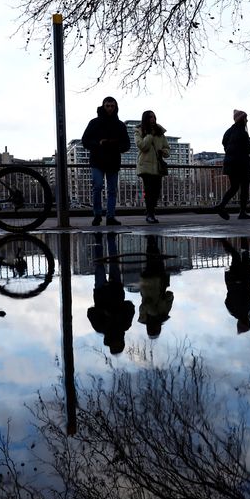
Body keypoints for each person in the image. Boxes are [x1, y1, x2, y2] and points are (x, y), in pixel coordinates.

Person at [81, 96, 132, 226]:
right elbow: (85, 140)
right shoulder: (94, 122)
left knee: (112, 190)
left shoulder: (120, 125)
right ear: (103, 106)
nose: (110, 108)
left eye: (112, 106)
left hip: (113, 161)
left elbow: (127, 144)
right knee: (97, 187)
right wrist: (98, 144)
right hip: (97, 160)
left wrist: (116, 146)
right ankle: (97, 215)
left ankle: (110, 217)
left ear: (116, 107)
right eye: (107, 106)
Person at [88, 232, 135, 354]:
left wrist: (103, 312)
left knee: (100, 265)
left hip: (101, 292)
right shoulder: (124, 325)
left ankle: (99, 239)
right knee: (113, 261)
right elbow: (130, 306)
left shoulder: (101, 328)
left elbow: (90, 312)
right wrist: (118, 311)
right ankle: (110, 239)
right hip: (115, 289)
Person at [216, 110, 250, 220]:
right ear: (242, 119)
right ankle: (242, 212)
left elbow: (224, 143)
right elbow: (249, 149)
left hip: (230, 163)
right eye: (246, 118)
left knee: (234, 187)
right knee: (244, 188)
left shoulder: (228, 131)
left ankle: (221, 205)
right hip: (242, 164)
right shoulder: (243, 132)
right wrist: (249, 142)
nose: (247, 120)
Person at [134, 110, 171, 224]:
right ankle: (150, 214)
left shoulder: (160, 132)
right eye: (150, 117)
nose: (152, 119)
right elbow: (142, 146)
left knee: (156, 191)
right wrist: (149, 134)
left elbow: (167, 149)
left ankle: (150, 211)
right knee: (149, 190)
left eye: (154, 117)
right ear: (145, 119)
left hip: (157, 166)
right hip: (145, 165)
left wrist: (163, 151)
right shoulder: (138, 131)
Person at [138, 235, 174, 339]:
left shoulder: (144, 317)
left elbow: (144, 305)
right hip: (159, 281)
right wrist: (167, 298)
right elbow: (170, 296)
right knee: (156, 260)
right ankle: (152, 240)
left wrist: (153, 311)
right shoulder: (164, 314)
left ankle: (151, 241)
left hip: (149, 283)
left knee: (151, 260)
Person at [221, 238, 250, 333]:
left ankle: (243, 236)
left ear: (245, 322)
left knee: (245, 254)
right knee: (235, 256)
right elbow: (227, 300)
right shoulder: (232, 312)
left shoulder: (246, 311)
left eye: (249, 323)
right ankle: (223, 241)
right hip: (232, 280)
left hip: (245, 278)